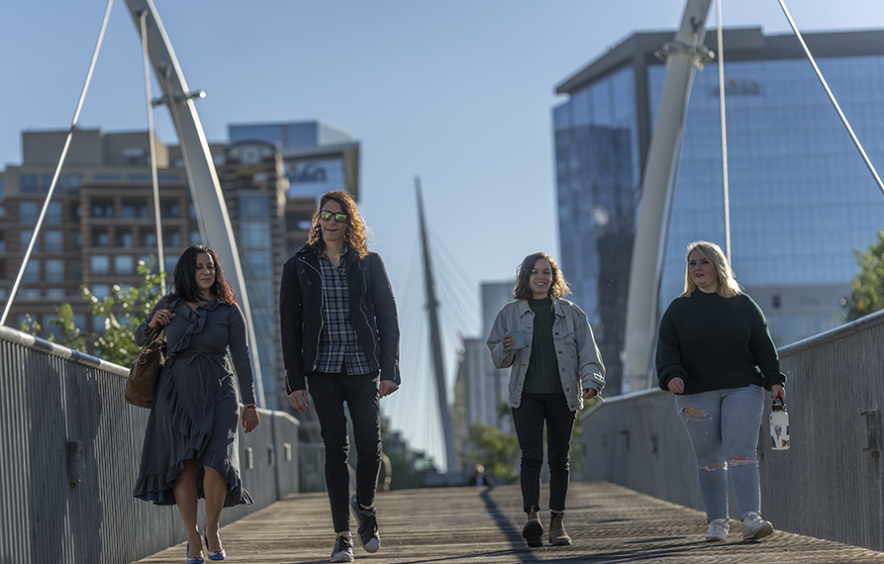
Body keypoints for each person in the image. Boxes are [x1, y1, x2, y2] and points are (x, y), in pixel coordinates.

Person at [279, 191, 400, 563]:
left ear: (350, 222)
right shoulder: (298, 265)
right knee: (335, 449)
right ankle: (342, 537)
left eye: (339, 216)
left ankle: (363, 505)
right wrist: (295, 381)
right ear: (318, 220)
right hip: (322, 370)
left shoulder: (368, 262)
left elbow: (387, 317)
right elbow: (288, 327)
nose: (331, 222)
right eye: (325, 216)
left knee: (370, 446)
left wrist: (389, 368)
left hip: (363, 366)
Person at [134, 245, 260, 564]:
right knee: (185, 469)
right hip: (176, 392)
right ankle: (193, 539)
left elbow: (242, 358)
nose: (207, 272)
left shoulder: (229, 310)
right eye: (200, 267)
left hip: (219, 390)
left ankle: (212, 527)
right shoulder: (170, 304)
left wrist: (250, 402)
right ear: (187, 272)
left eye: (211, 267)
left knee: (216, 463)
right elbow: (139, 339)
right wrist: (153, 324)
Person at [656, 241, 786, 542]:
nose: (698, 268)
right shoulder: (678, 309)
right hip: (695, 394)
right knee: (710, 460)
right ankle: (717, 523)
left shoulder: (743, 305)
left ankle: (751, 519)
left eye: (703, 262)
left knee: (742, 453)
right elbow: (666, 351)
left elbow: (764, 347)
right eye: (692, 264)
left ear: (718, 266)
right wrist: (670, 375)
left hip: (743, 388)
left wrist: (774, 380)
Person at [487, 252, 605, 548]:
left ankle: (557, 523)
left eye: (547, 272)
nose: (541, 277)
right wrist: (504, 346)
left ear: (554, 278)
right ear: (526, 277)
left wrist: (591, 382)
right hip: (525, 395)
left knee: (558, 460)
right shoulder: (509, 314)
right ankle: (532, 518)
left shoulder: (572, 314)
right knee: (531, 457)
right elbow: (498, 359)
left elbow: (588, 353)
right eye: (535, 272)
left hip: (562, 395)